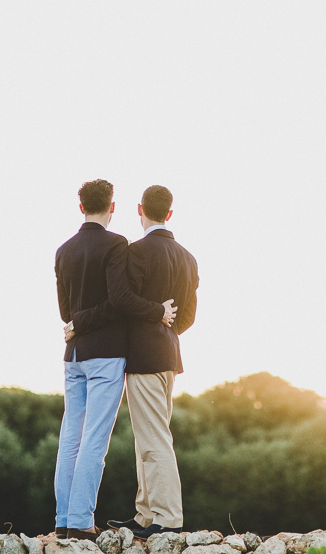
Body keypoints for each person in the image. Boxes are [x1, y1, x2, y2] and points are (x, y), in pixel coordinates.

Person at [68, 184, 198, 539]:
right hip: (169, 356)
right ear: (169, 213)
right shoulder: (188, 257)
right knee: (148, 435)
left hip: (144, 357)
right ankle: (144, 513)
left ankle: (168, 517)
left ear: (140, 209)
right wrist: (166, 334)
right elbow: (186, 316)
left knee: (155, 438)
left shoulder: (135, 252)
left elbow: (123, 302)